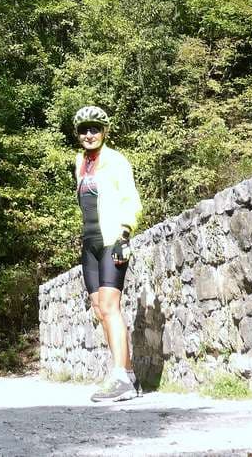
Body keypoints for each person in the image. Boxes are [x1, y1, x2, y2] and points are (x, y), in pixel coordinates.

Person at [72, 105, 142, 402]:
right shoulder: (80, 162)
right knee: (100, 309)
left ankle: (120, 379)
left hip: (112, 239)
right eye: (84, 130)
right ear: (78, 135)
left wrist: (125, 234)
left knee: (111, 306)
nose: (89, 134)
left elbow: (131, 198)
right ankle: (126, 373)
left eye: (95, 129)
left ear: (104, 131)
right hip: (89, 243)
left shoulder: (115, 160)